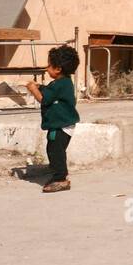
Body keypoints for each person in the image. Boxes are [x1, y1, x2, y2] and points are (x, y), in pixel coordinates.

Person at [26, 45, 80, 193]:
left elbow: (43, 99)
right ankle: (56, 169)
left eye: (49, 65)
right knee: (53, 149)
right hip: (61, 124)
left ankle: (61, 179)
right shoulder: (62, 82)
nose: (46, 68)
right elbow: (51, 92)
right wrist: (41, 86)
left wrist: (34, 89)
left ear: (58, 69)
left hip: (61, 125)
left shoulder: (61, 84)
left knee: (56, 150)